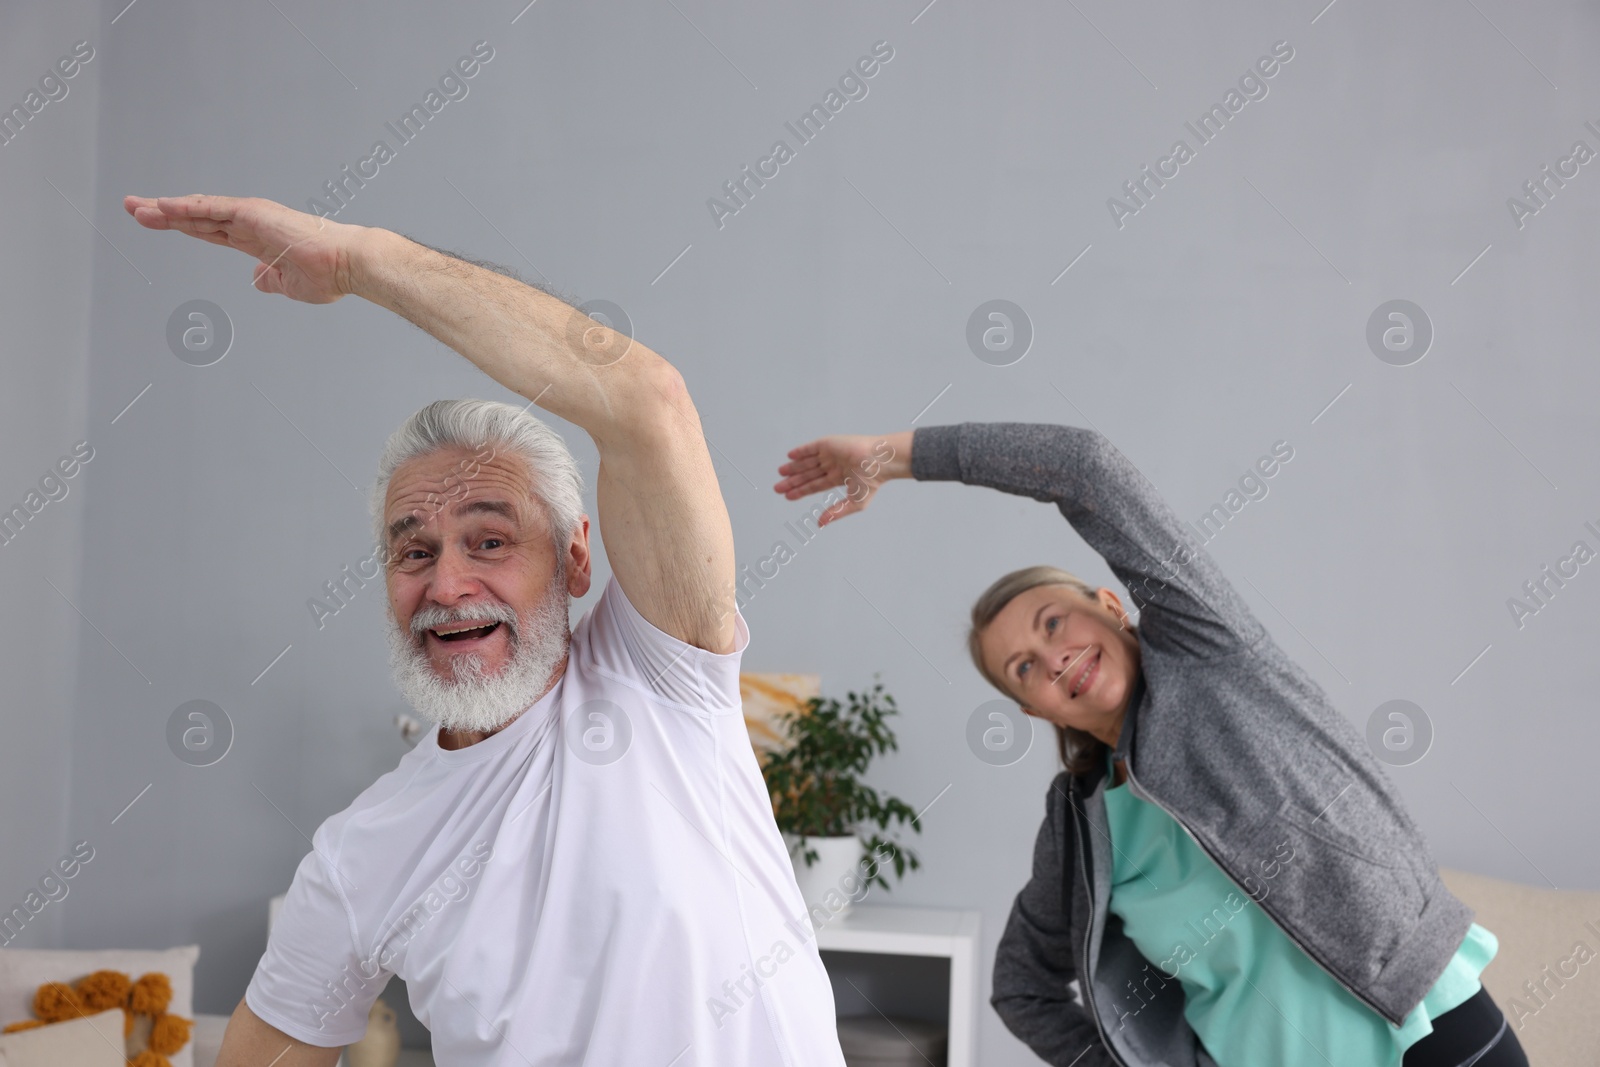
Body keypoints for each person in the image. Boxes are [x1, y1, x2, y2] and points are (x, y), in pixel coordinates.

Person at [124, 194, 848, 1067]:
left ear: (577, 561)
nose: (447, 584)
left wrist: (364, 262)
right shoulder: (362, 853)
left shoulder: (663, 675)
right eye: (414, 549)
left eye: (491, 540)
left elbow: (644, 398)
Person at [774, 423, 1528, 1067]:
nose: (1054, 657)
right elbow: (1019, 985)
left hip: (1425, 1025)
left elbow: (1087, 468)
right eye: (1024, 668)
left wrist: (896, 454)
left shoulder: (1215, 658)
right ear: (1031, 705)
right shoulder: (1083, 828)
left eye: (1052, 622)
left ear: (1111, 606)